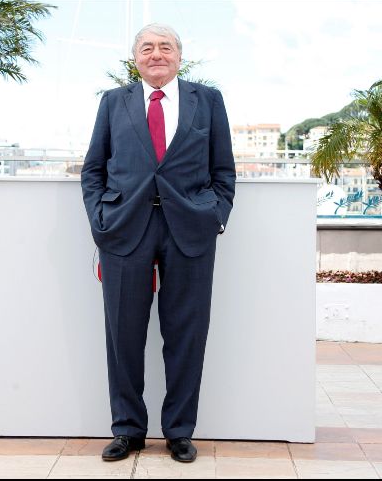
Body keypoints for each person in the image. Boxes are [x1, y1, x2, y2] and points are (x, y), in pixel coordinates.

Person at [80, 23, 236, 464]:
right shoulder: (114, 102)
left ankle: (179, 431)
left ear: (179, 56)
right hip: (124, 228)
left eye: (165, 47)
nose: (156, 54)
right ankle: (127, 429)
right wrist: (100, 220)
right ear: (136, 59)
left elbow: (223, 170)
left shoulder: (208, 100)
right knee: (122, 334)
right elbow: (93, 169)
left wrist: (215, 216)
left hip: (190, 229)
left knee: (187, 332)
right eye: (147, 48)